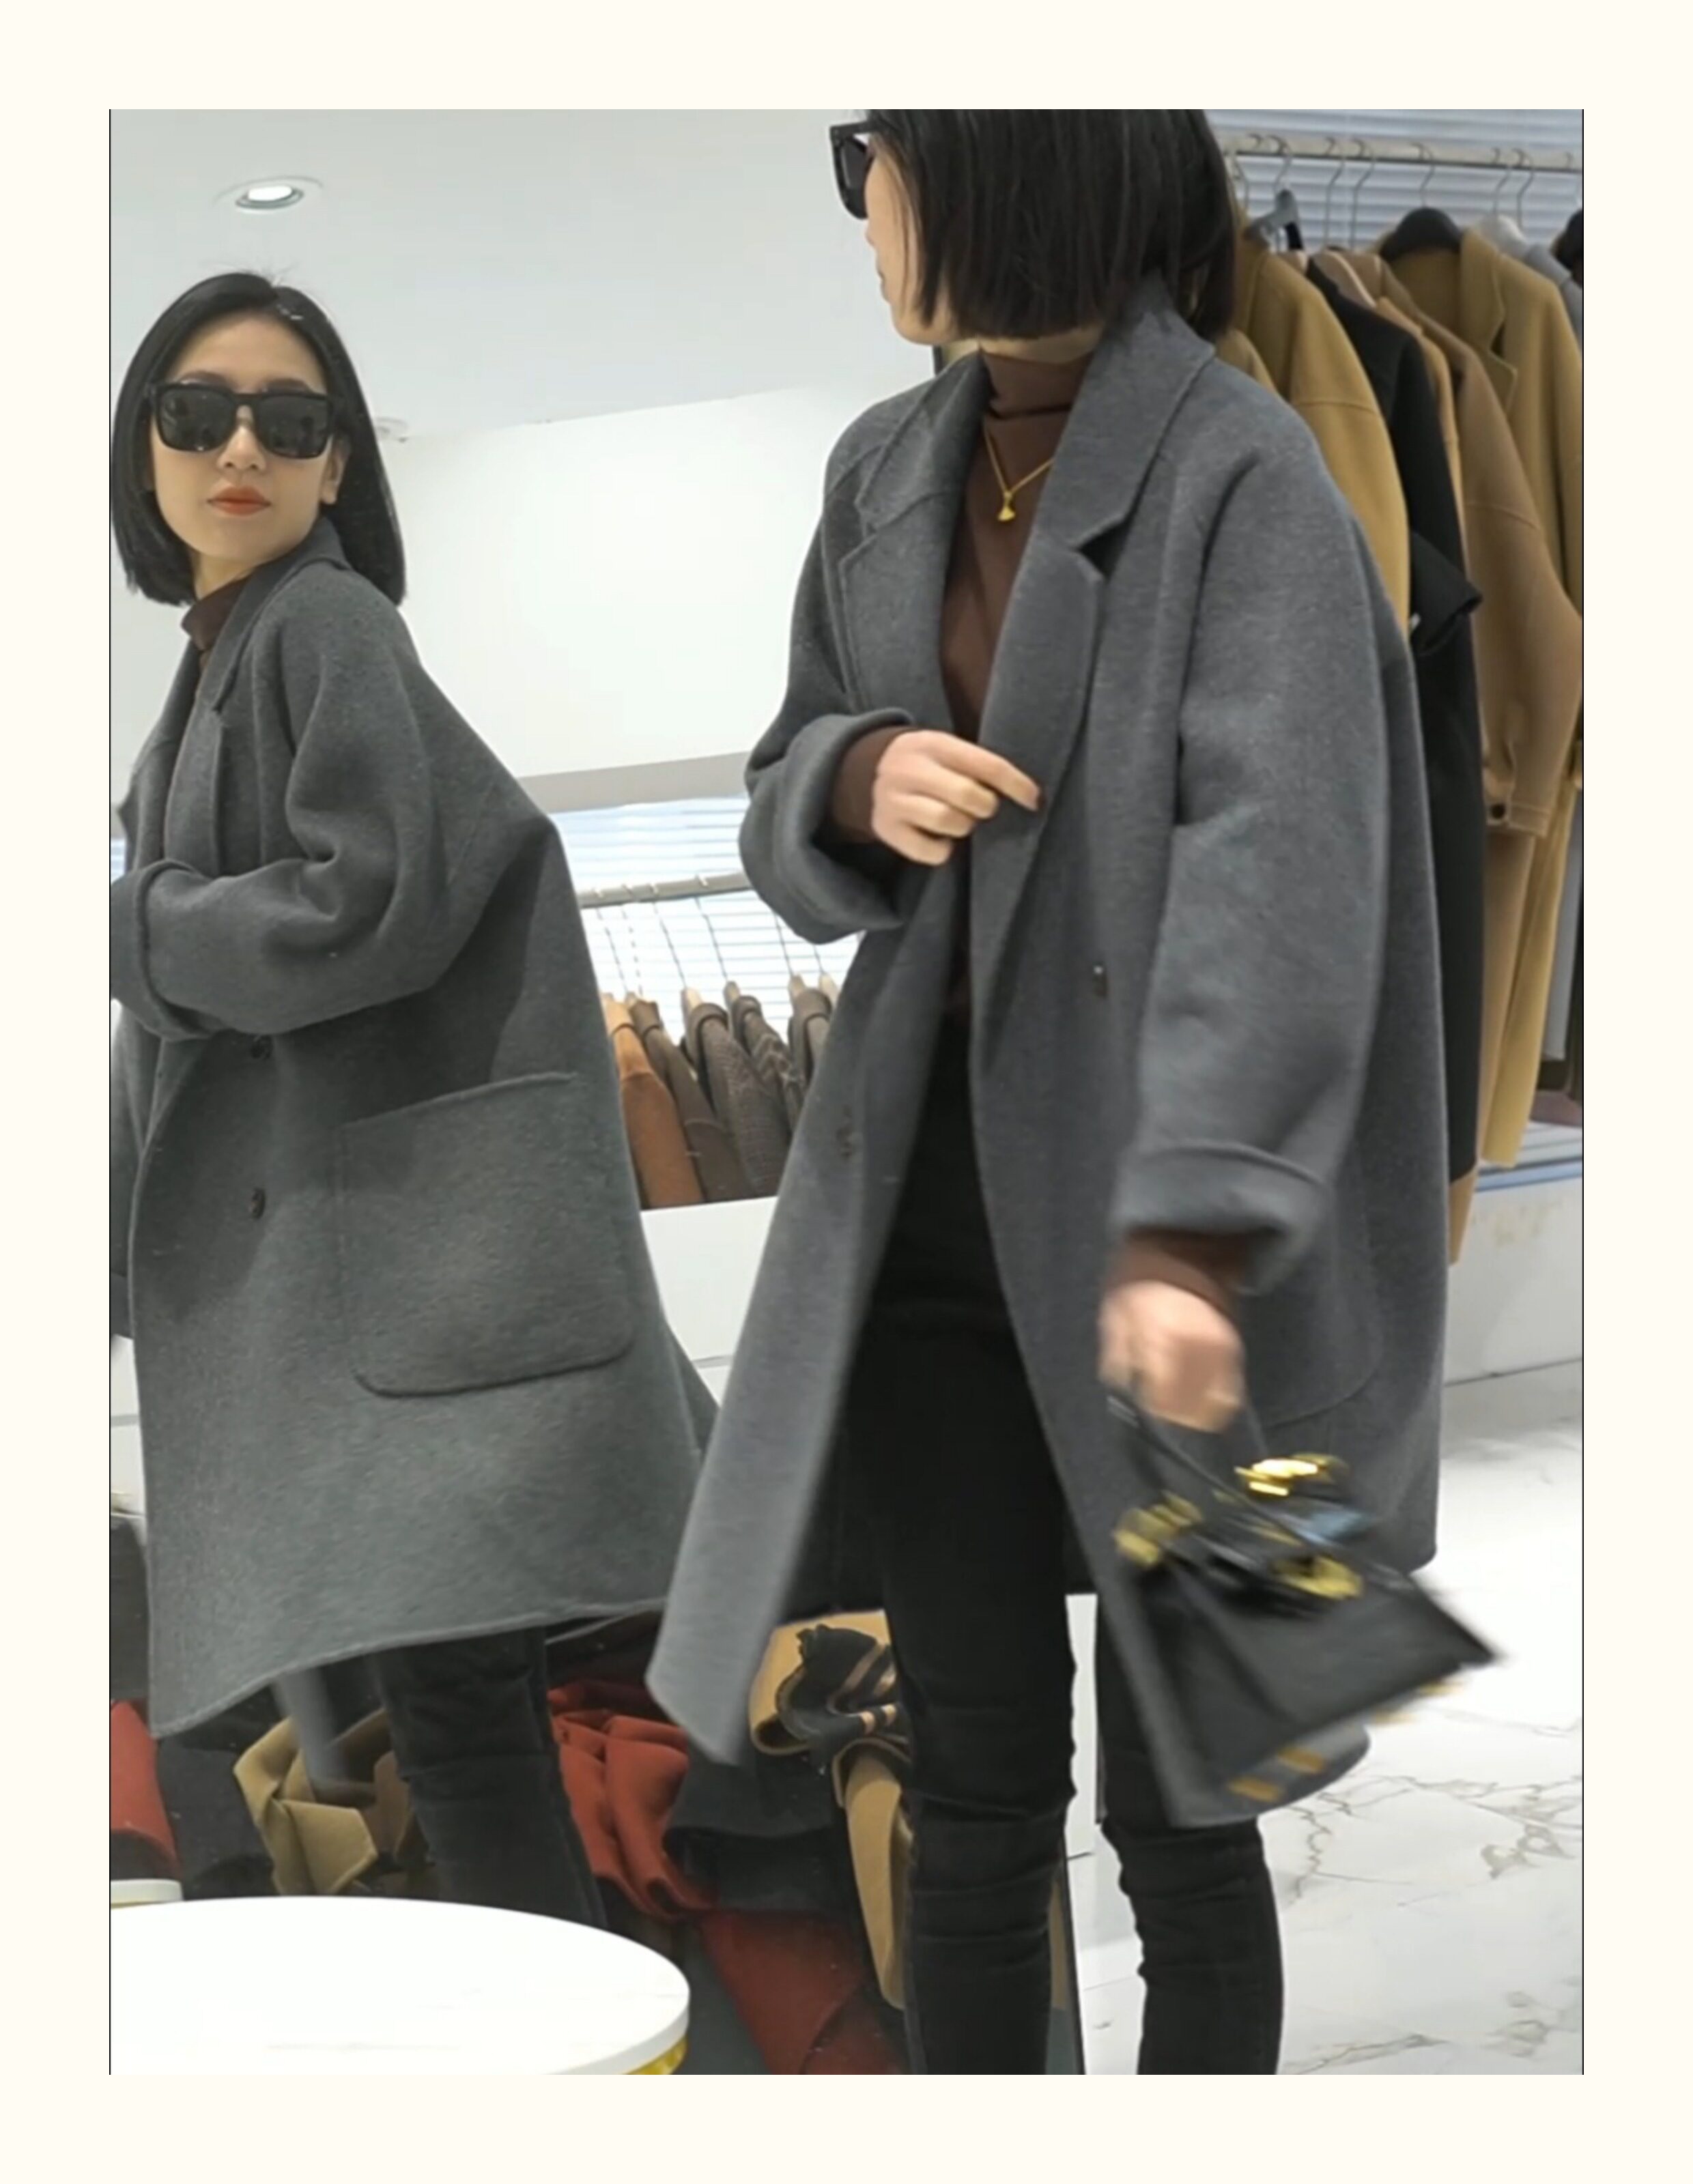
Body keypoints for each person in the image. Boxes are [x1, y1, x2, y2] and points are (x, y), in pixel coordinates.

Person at [649, 113, 1447, 2071]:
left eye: (876, 153)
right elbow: (781, 778)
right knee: (971, 1792)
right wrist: (850, 778)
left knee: (1196, 1809)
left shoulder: (1248, 471)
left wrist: (1193, 1234)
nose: (859, 201)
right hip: (928, 1240)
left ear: (1011, 166)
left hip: (1190, 1262)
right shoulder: (879, 466)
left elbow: (1285, 883)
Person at [110, 273, 711, 1923]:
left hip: (414, 1303)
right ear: (144, 450)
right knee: (455, 1722)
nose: (242, 447)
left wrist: (129, 926)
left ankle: (581, 2043)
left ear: (337, 464)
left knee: (459, 1724)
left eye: (289, 420)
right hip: (393, 1299)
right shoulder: (225, 657)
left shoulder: (323, 624)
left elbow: (366, 899)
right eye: (198, 413)